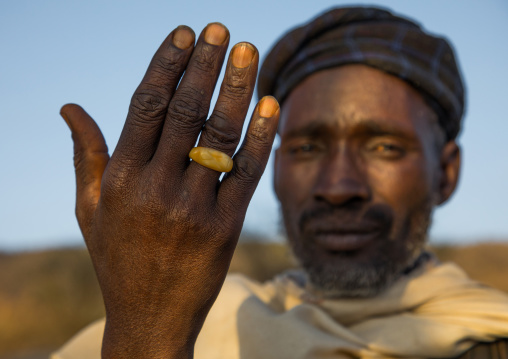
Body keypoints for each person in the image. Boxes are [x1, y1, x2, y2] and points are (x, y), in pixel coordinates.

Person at [52, 6, 508, 359]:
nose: (338, 186)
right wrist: (145, 328)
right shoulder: (216, 323)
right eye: (307, 148)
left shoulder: (492, 340)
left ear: (446, 174)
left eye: (384, 147)